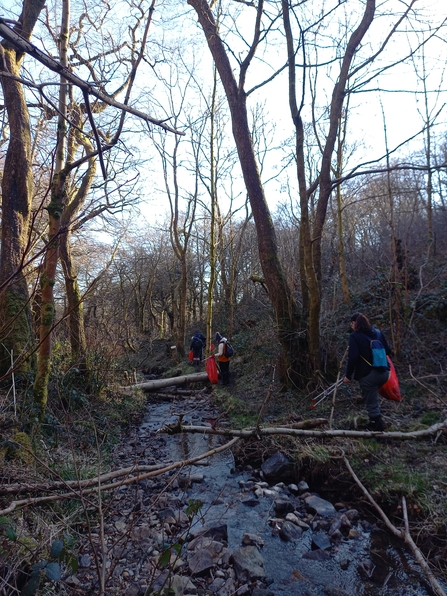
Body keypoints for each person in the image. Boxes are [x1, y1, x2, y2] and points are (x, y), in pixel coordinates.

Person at [343, 313, 392, 431]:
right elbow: (388, 351)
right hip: (385, 373)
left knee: (372, 403)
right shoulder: (378, 333)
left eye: (352, 323)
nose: (352, 325)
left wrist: (348, 376)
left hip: (368, 375)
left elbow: (353, 357)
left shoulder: (355, 336)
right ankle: (375, 423)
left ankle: (377, 431)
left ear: (355, 323)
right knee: (372, 398)